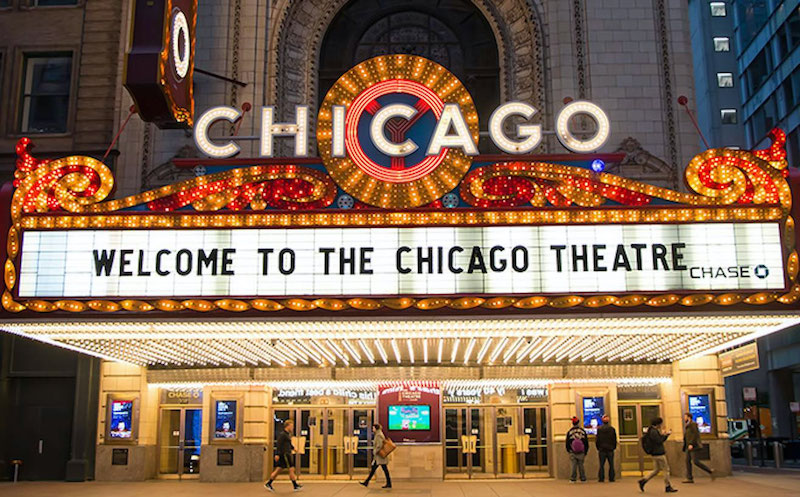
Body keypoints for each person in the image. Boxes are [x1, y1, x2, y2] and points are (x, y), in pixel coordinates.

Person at [638, 417, 677, 493]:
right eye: (660, 424)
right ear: (658, 424)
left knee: (656, 470)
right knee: (666, 469)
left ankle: (644, 480)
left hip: (654, 454)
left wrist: (662, 435)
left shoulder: (651, 431)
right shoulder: (654, 432)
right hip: (659, 453)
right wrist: (666, 435)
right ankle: (667, 486)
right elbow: (659, 441)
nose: (661, 425)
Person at [265, 419, 303, 492]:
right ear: (287, 426)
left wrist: (293, 448)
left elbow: (287, 444)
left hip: (286, 453)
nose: (293, 428)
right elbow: (279, 444)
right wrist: (277, 454)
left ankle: (269, 483)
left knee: (279, 469)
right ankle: (295, 485)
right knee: (291, 469)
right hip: (285, 454)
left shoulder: (286, 435)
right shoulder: (283, 435)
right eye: (291, 426)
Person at [682, 413, 715, 483]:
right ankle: (689, 477)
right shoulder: (688, 425)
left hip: (693, 446)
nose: (684, 418)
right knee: (687, 461)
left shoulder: (693, 424)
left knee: (695, 461)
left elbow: (695, 434)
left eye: (685, 417)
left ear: (689, 417)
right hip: (688, 446)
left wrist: (691, 443)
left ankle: (709, 471)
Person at [361, 423, 392, 488]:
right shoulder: (379, 434)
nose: (372, 429)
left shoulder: (378, 435)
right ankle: (366, 482)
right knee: (376, 469)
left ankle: (388, 483)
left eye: (373, 428)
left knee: (383, 469)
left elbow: (379, 445)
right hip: (379, 457)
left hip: (379, 456)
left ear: (376, 428)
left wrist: (375, 451)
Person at [566, 416, 589, 483]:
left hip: (573, 451)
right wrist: (586, 451)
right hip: (581, 451)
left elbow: (567, 442)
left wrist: (569, 450)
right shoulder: (582, 431)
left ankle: (573, 479)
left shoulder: (570, 431)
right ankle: (583, 478)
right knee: (581, 465)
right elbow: (586, 442)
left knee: (574, 465)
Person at [596, 415, 617, 482]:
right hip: (610, 449)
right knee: (611, 464)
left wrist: (598, 447)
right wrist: (613, 447)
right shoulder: (612, 429)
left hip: (602, 449)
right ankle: (611, 478)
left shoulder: (599, 429)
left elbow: (597, 440)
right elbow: (614, 439)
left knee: (601, 465)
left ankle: (601, 478)